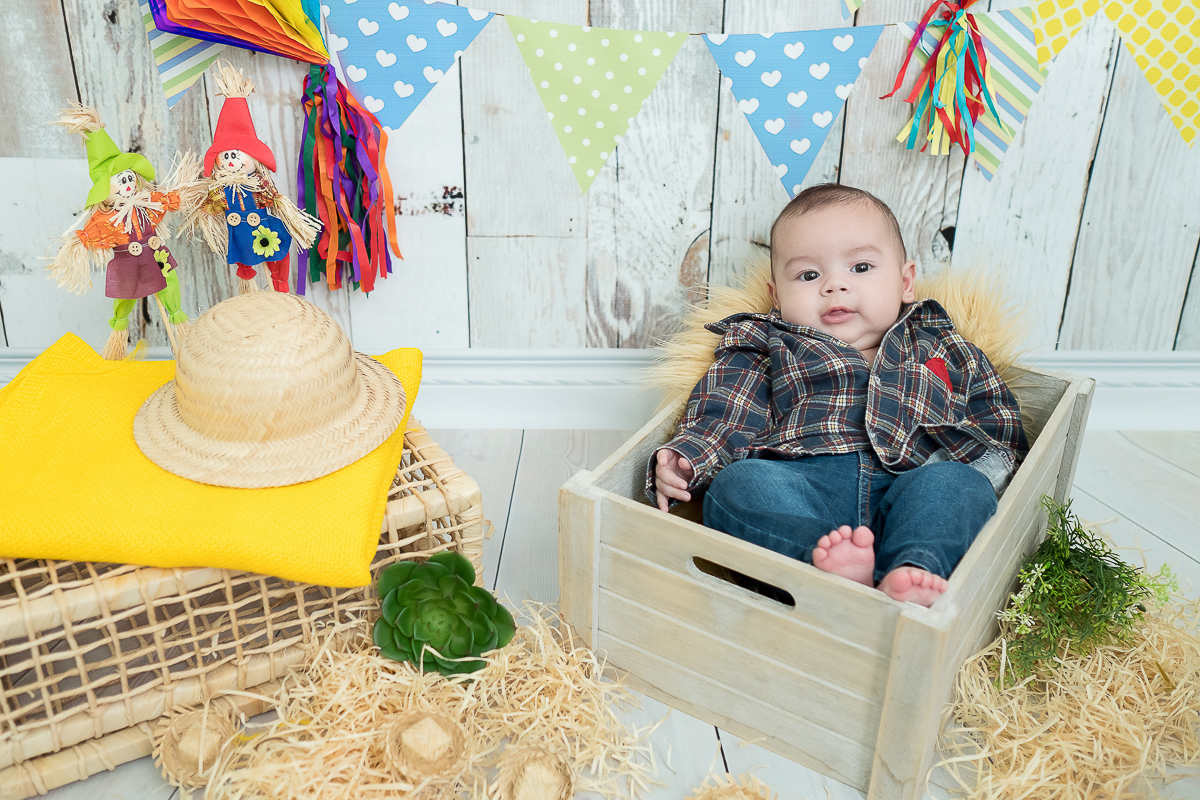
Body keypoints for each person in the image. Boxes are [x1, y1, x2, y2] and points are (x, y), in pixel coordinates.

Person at [648, 184, 1027, 606]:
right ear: (776, 297)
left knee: (956, 484)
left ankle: (914, 568)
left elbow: (994, 419)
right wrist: (690, 457)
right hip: (804, 483)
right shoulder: (769, 343)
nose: (835, 286)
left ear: (905, 283)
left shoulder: (942, 345)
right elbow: (728, 409)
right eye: (809, 276)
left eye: (861, 267)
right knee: (736, 487)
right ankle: (827, 570)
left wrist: (983, 472)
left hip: (913, 479)